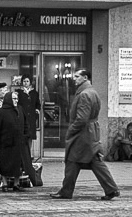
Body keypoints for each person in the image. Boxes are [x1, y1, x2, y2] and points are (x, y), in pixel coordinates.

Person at [51, 69, 120, 201]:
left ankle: (67, 191)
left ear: (85, 78)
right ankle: (111, 189)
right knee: (89, 161)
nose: (74, 79)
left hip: (83, 134)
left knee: (75, 159)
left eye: (77, 76)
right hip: (89, 132)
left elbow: (82, 118)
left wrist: (71, 130)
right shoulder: (91, 92)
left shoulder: (84, 94)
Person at [0, 90, 28, 192]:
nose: (16, 101)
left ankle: (16, 184)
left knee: (17, 165)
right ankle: (5, 183)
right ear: (8, 99)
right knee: (4, 164)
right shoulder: (1, 112)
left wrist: (26, 135)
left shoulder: (20, 109)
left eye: (17, 99)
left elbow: (25, 123)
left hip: (18, 143)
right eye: (14, 99)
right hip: (5, 143)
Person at [16, 75, 41, 151]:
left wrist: (37, 110)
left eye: (27, 81)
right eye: (24, 81)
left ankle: (29, 154)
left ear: (30, 82)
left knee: (30, 135)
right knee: (22, 135)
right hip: (22, 117)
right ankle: (22, 155)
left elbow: (38, 103)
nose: (26, 83)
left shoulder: (34, 93)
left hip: (31, 117)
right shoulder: (18, 92)